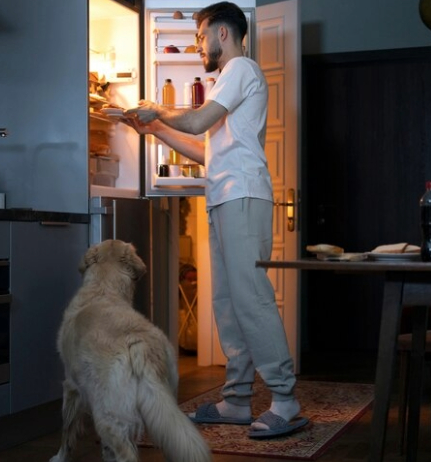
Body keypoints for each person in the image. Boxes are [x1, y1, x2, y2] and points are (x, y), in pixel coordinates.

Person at [124, 1, 307, 439]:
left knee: (251, 298)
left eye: (202, 35)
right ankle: (237, 400)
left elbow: (200, 118)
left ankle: (285, 399)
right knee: (226, 302)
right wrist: (155, 131)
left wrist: (158, 110)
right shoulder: (228, 82)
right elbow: (207, 152)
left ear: (222, 34)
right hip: (224, 194)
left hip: (244, 194)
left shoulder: (242, 68)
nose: (198, 44)